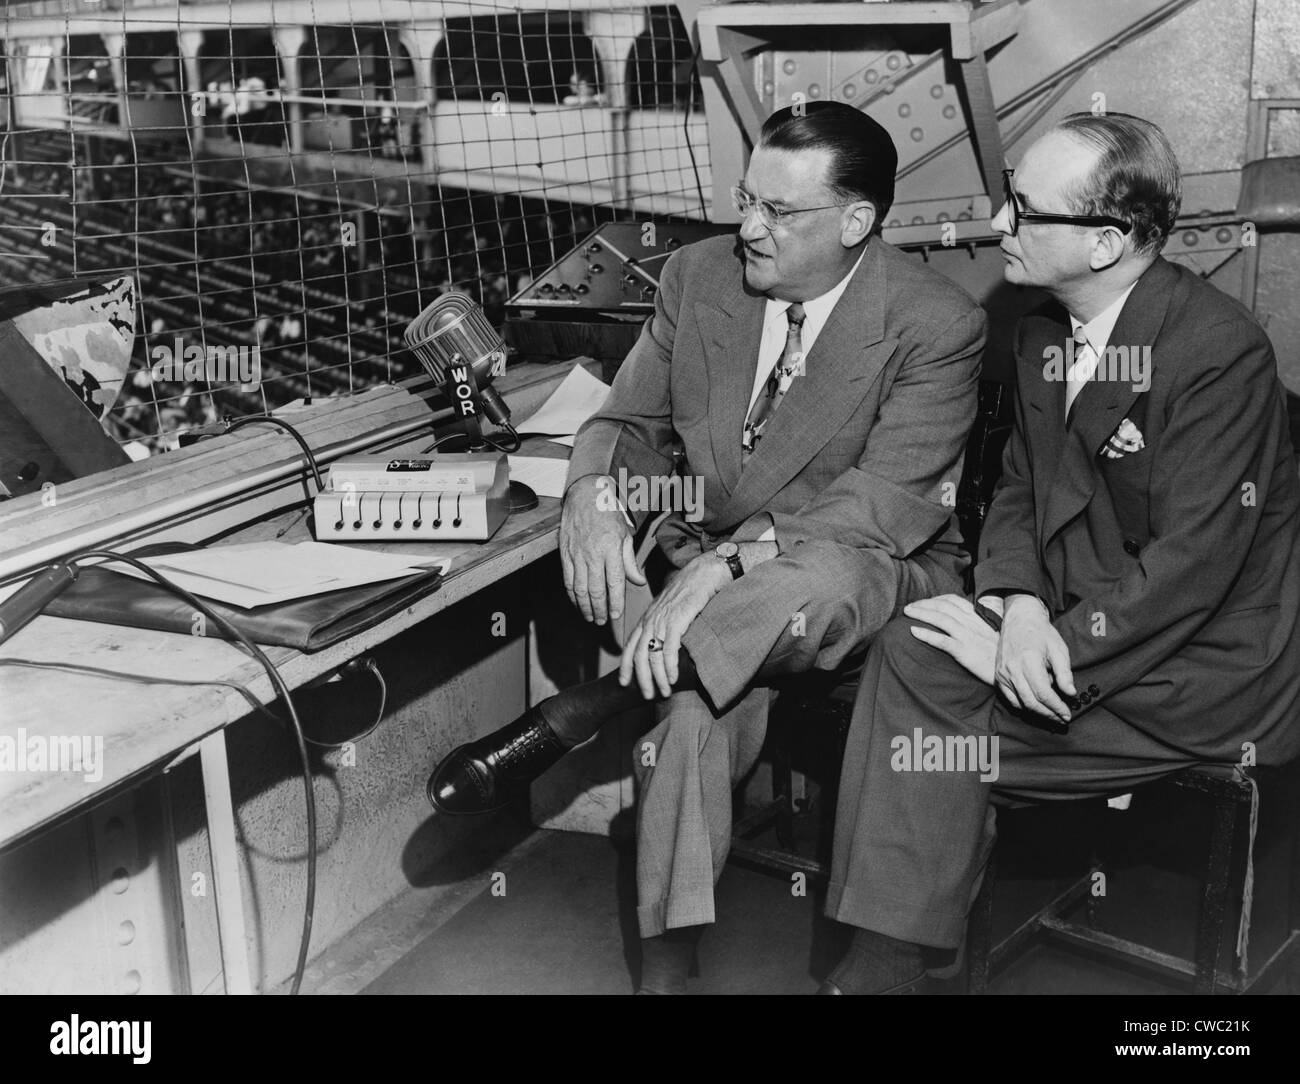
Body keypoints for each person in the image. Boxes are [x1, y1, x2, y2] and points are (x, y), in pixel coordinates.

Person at [428, 100, 987, 992]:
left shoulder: (936, 320)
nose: (749, 229)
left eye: (780, 212)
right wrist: (594, 494)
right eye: (745, 200)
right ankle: (668, 959)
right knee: (686, 719)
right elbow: (627, 418)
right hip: (720, 588)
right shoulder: (697, 278)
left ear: (856, 223)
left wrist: (730, 563)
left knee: (822, 575)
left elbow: (885, 501)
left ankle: (597, 704)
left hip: (869, 565)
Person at [821, 112, 1300, 994]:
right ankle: (914, 950)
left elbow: (1194, 567)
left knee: (922, 743)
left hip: (1197, 666)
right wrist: (1021, 606)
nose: (1000, 225)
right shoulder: (1045, 334)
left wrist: (1042, 650)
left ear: (1109, 242)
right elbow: (1017, 494)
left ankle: (894, 962)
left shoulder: (1215, 353)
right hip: (1069, 621)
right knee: (907, 654)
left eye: (1027, 211)